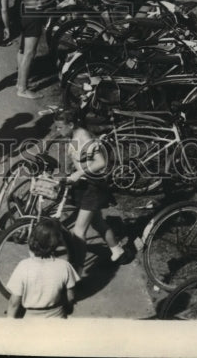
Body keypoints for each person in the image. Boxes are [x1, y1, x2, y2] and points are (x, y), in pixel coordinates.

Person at [53, 109, 125, 273]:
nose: (57, 131)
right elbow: (77, 160)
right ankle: (117, 250)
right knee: (97, 221)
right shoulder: (72, 136)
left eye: (59, 127)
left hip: (93, 187)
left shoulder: (84, 139)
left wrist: (79, 173)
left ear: (71, 125)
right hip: (83, 186)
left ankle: (77, 269)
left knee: (78, 231)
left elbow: (101, 162)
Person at [6, 218, 80, 318]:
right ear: (57, 243)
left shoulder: (23, 266)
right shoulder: (64, 266)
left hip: (31, 319)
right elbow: (71, 297)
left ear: (32, 240)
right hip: (57, 316)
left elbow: (13, 303)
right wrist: (68, 309)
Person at [15, 0, 51, 99]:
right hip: (33, 15)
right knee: (30, 52)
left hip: (24, 10)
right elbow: (44, 0)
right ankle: (22, 88)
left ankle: (20, 81)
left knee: (23, 49)